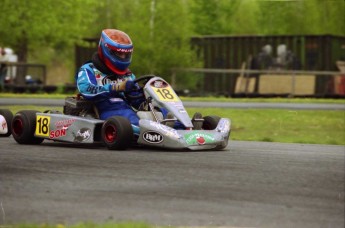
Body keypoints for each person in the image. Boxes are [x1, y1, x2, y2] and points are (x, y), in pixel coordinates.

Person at [76, 29, 146, 134]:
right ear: (106, 50)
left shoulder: (128, 74)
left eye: (126, 55)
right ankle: (144, 131)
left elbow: (136, 102)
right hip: (108, 110)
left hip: (127, 111)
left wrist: (143, 95)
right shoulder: (89, 69)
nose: (123, 58)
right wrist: (115, 87)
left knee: (163, 114)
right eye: (119, 54)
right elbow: (87, 90)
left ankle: (170, 125)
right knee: (131, 121)